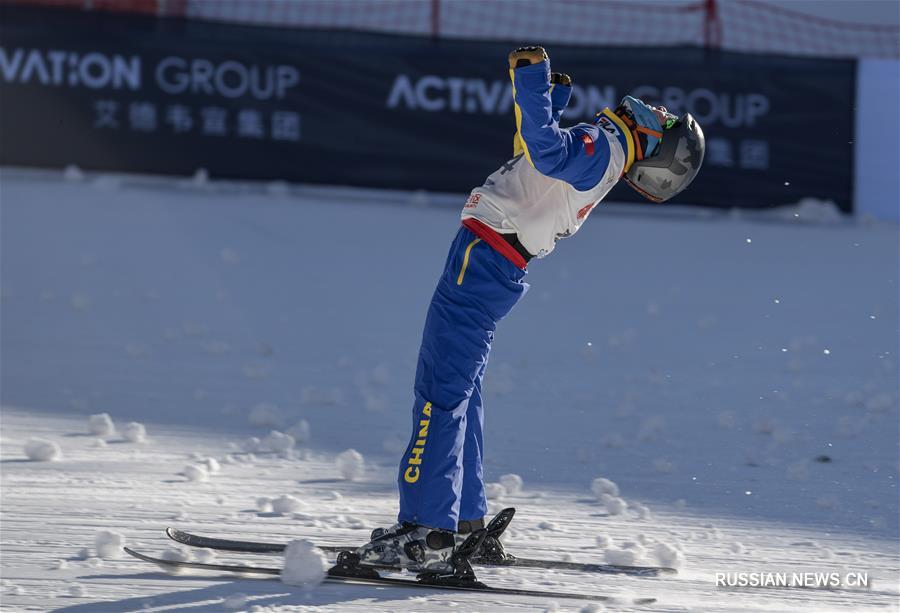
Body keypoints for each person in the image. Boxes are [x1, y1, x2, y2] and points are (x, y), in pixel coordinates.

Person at [355, 45, 705, 575]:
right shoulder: (604, 152)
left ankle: (427, 533)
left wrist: (533, 80)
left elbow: (544, 150)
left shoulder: (602, 145)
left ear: (656, 144)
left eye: (667, 121)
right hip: (496, 262)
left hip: (482, 259)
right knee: (460, 393)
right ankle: (465, 522)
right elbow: (533, 161)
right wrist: (550, 99)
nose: (657, 112)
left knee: (439, 393)